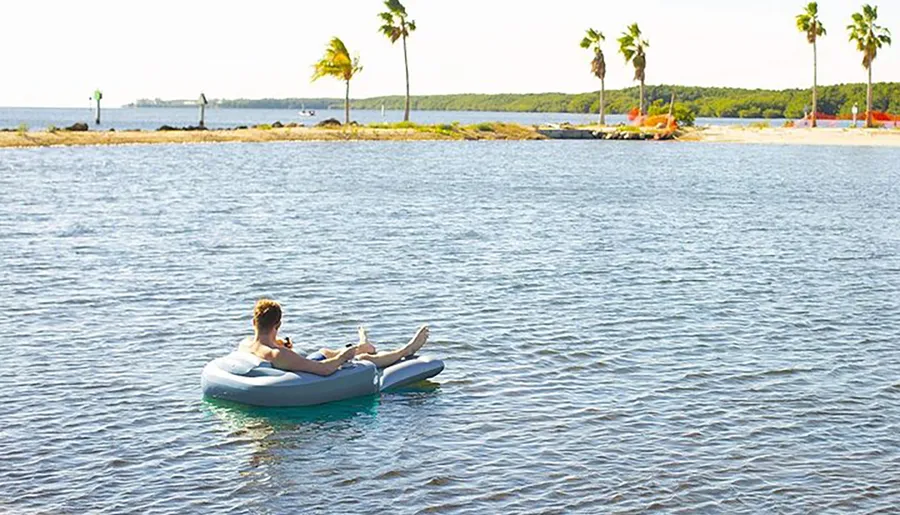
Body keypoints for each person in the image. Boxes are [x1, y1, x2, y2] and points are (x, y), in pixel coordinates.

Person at [238, 299, 430, 376]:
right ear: (278, 325)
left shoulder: (245, 344)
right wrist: (343, 357)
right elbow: (325, 370)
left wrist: (281, 343)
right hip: (308, 367)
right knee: (362, 359)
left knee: (324, 351)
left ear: (254, 322)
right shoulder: (277, 354)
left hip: (299, 359)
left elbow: (267, 344)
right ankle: (406, 350)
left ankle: (364, 344)